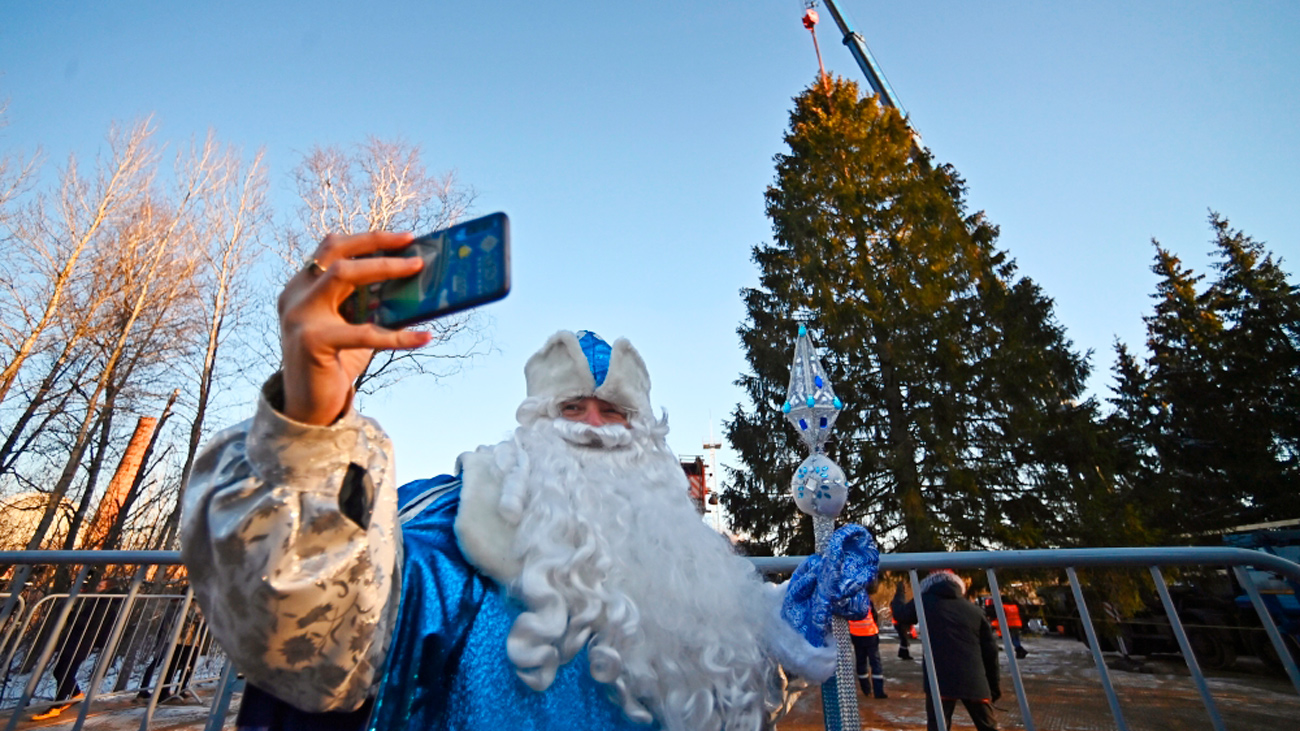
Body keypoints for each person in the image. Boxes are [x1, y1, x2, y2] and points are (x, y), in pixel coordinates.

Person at [180, 231, 877, 731]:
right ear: (534, 422)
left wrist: (790, 609)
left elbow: (723, 667)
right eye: (572, 407)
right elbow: (319, 631)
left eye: (616, 412)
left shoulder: (682, 551)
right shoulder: (455, 524)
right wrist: (312, 422)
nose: (595, 425)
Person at [897, 570, 1001, 731]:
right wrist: (993, 687)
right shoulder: (974, 609)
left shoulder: (925, 601)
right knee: (988, 726)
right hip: (975, 678)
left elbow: (902, 615)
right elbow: (990, 651)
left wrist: (899, 593)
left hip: (940, 678)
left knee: (939, 725)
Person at [848, 585, 886, 699]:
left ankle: (866, 690)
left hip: (856, 636)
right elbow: (874, 616)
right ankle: (878, 692)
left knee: (861, 663)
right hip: (870, 634)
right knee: (875, 663)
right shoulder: (867, 601)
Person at [890, 580, 913, 660]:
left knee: (904, 639)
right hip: (900, 622)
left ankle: (903, 653)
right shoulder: (900, 597)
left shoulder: (897, 597)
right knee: (904, 639)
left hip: (897, 622)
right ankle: (904, 654)